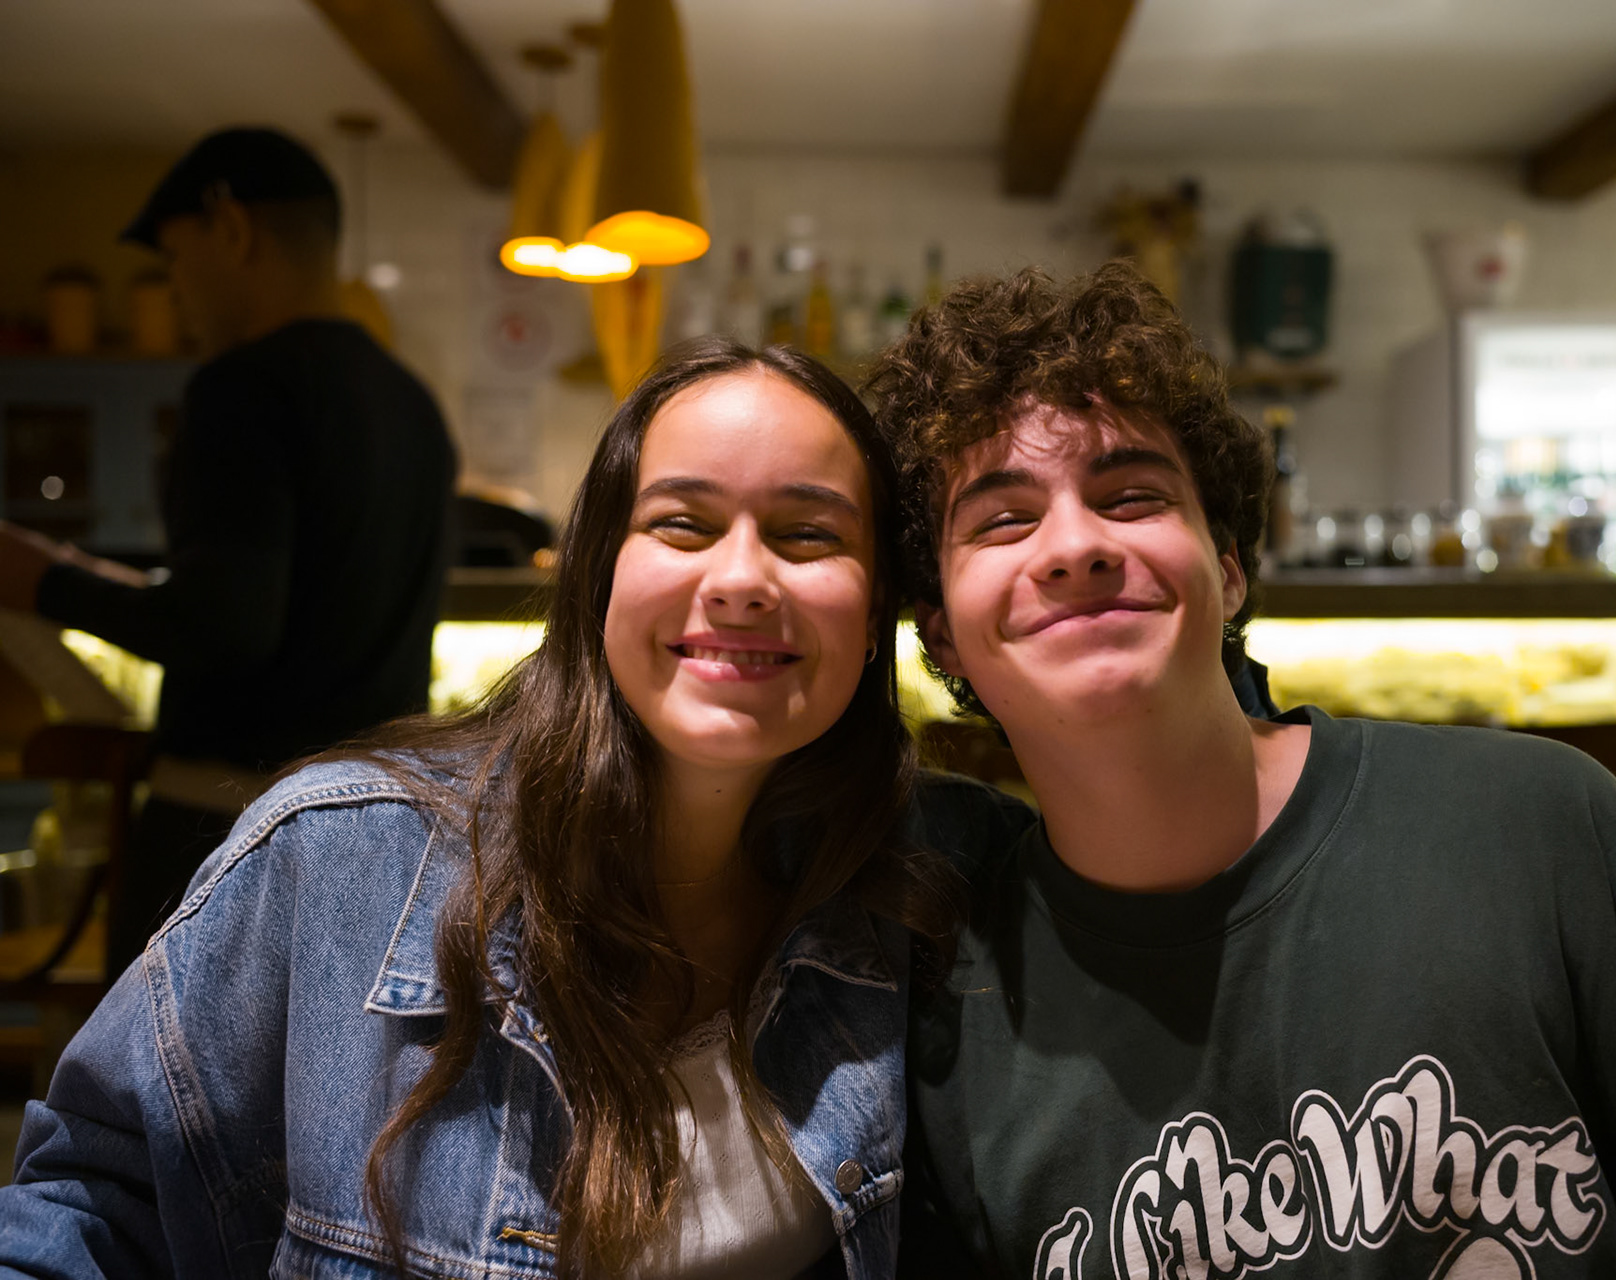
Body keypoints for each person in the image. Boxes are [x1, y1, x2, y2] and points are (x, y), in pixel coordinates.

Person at [866, 264, 1616, 1278]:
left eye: (1133, 495)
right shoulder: (952, 1013)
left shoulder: (1539, 830)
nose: (1074, 545)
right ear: (939, 633)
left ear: (1228, 569)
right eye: (1004, 519)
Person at [0, 340, 1016, 1279]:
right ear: (599, 573)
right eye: (682, 523)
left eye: (808, 534)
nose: (742, 578)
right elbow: (88, 1211)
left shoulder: (924, 879)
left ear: (878, 610)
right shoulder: (337, 862)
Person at [0, 127, 456, 976]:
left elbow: (225, 628)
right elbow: (295, 601)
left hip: (228, 828)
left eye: (176, 257)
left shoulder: (242, 387)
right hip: (376, 830)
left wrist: (45, 583)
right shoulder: (412, 405)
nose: (176, 289)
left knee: (160, 1065)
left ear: (232, 229)